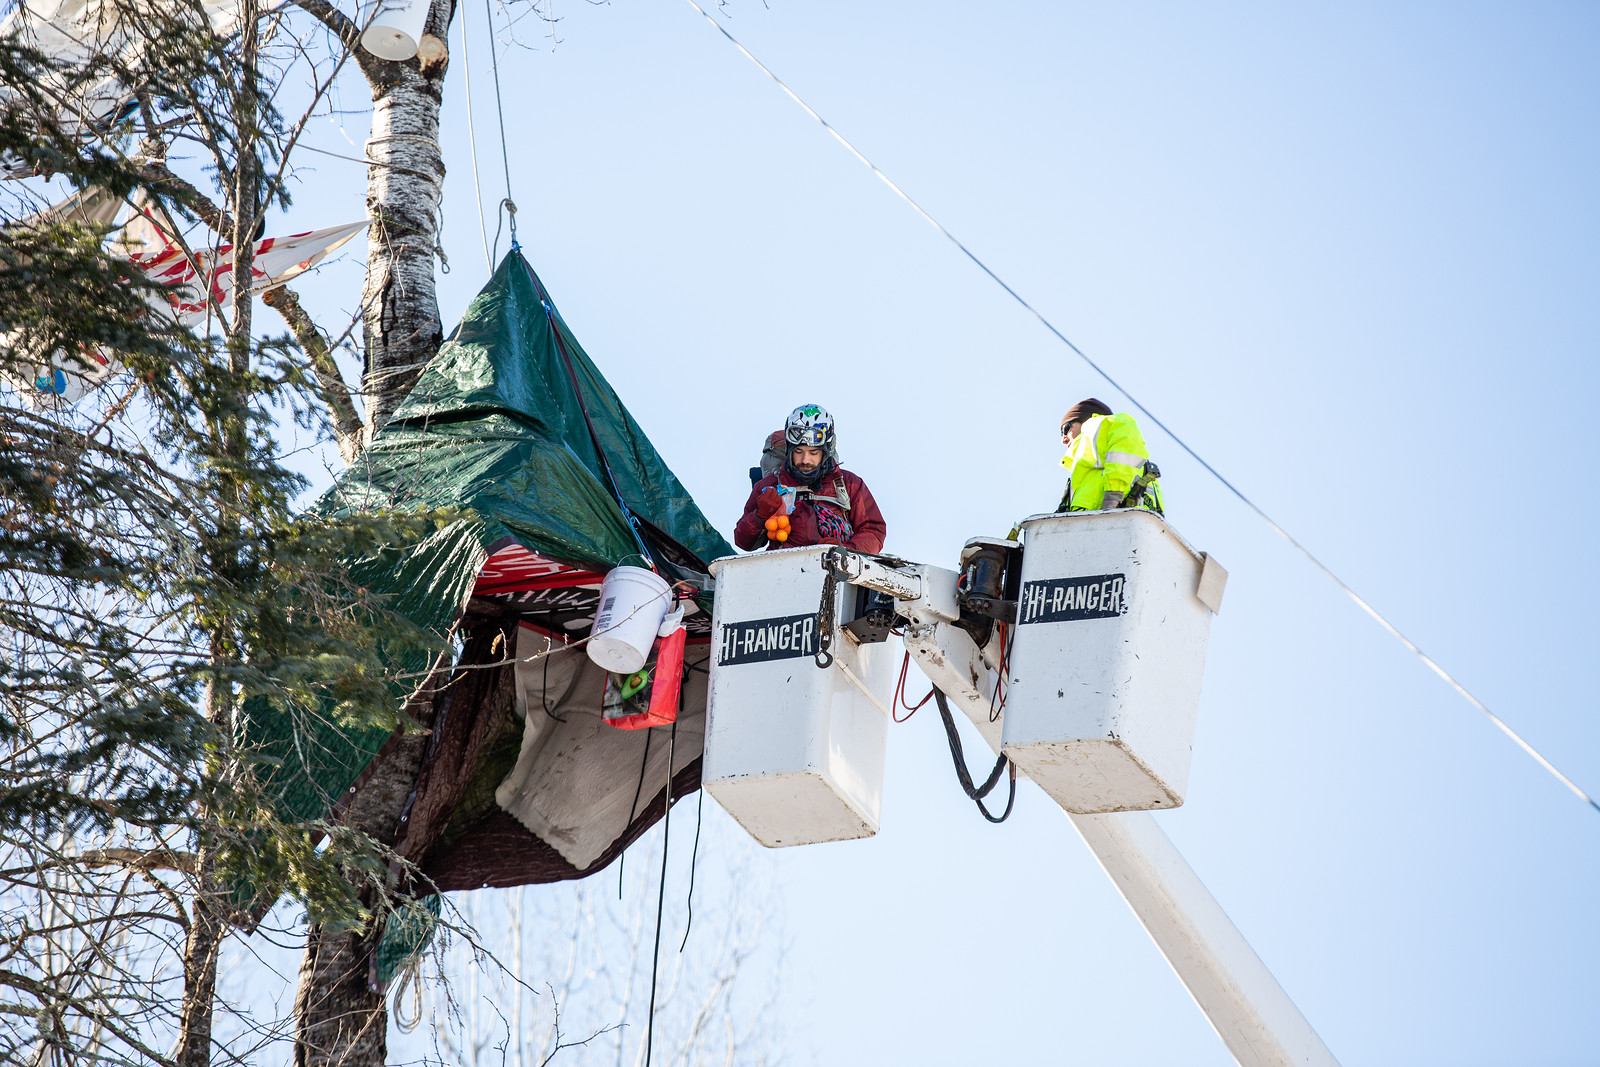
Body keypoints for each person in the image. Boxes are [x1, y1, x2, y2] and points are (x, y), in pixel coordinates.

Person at [735, 404, 887, 553]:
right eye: (799, 451)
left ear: (826, 451)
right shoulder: (769, 486)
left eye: (813, 452)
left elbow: (874, 530)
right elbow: (744, 542)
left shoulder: (849, 484)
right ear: (789, 449)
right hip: (782, 572)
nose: (805, 460)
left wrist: (845, 551)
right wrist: (759, 516)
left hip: (837, 574)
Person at [1056, 398, 1164, 514]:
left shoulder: (1095, 426)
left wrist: (1111, 500)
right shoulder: (1087, 470)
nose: (1063, 439)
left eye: (1066, 429)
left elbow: (1126, 439)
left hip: (1114, 522)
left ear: (1084, 420)